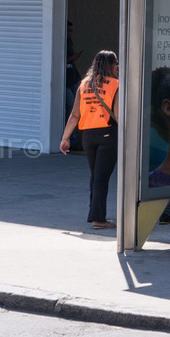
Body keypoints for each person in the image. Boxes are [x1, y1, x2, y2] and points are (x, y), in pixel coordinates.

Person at [60, 50, 120, 230]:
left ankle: (95, 213)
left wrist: (65, 138)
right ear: (110, 65)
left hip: (87, 136)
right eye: (116, 63)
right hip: (108, 134)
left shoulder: (84, 84)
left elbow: (74, 115)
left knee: (96, 176)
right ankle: (98, 219)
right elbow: (118, 116)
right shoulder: (116, 85)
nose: (118, 67)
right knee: (101, 177)